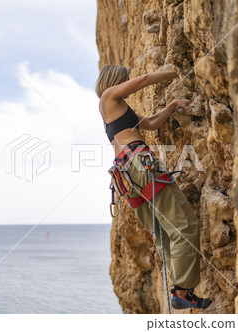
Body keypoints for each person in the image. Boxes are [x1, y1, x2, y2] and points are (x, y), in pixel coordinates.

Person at [95, 64, 212, 310]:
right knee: (184, 225)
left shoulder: (117, 109)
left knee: (163, 232)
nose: (128, 82)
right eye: (124, 78)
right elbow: (145, 79)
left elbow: (149, 124)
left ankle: (181, 290)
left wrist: (171, 107)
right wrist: (177, 71)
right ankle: (182, 290)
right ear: (116, 80)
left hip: (126, 176)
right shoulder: (109, 97)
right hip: (139, 163)